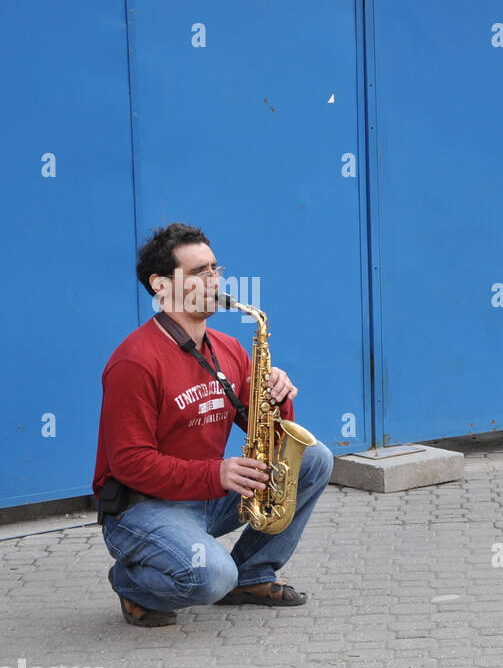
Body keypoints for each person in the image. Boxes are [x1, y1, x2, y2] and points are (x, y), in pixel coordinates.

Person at [93, 223, 333, 626]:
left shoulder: (230, 348)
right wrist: (218, 472)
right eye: (199, 272)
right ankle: (131, 582)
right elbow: (130, 463)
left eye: (215, 269)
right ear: (161, 286)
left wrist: (277, 399)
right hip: (141, 510)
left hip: (205, 495)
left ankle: (252, 575)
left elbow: (267, 434)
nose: (214, 280)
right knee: (211, 576)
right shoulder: (134, 362)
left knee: (314, 459)